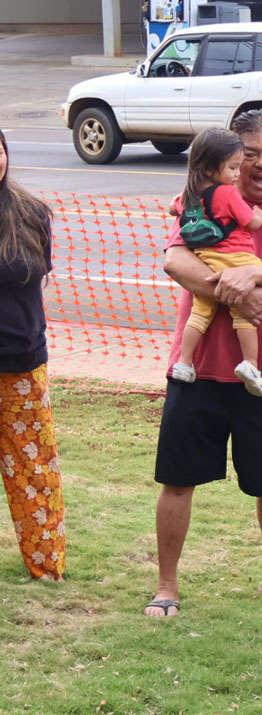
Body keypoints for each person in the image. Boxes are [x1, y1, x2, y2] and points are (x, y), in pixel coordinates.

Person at [143, 110, 262, 617]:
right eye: (250, 154)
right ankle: (167, 586)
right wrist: (230, 294)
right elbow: (175, 261)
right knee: (177, 478)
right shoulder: (201, 203)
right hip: (199, 369)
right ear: (229, 159)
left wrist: (254, 279)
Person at [0, 128, 67, 581]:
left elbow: (37, 275)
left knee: (34, 470)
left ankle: (46, 566)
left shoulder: (30, 212)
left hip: (22, 363)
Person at [167, 127, 262, 397]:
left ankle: (184, 362)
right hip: (238, 259)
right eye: (233, 168)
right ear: (212, 168)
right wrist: (259, 213)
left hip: (206, 260)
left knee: (199, 313)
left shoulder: (191, 193)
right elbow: (251, 222)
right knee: (244, 310)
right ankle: (251, 363)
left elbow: (170, 207)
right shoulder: (229, 194)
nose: (237, 174)